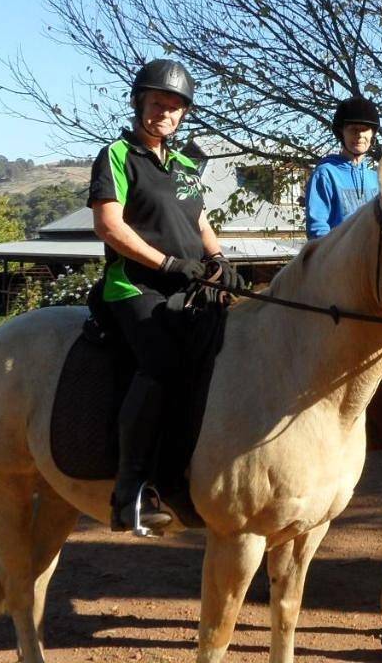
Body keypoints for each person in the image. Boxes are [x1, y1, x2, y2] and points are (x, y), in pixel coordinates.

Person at [88, 58, 240, 534]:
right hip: (135, 285)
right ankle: (130, 491)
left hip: (189, 286)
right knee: (163, 364)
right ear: (140, 103)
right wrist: (168, 264)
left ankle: (193, 472)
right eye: (157, 104)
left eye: (175, 108)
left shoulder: (184, 164)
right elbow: (108, 225)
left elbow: (197, 220)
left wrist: (219, 259)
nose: (165, 114)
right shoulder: (116, 155)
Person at [304, 96, 381, 240]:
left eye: (364, 130)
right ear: (341, 133)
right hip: (336, 258)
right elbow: (317, 228)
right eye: (353, 130)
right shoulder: (325, 174)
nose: (359, 135)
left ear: (372, 135)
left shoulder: (376, 180)